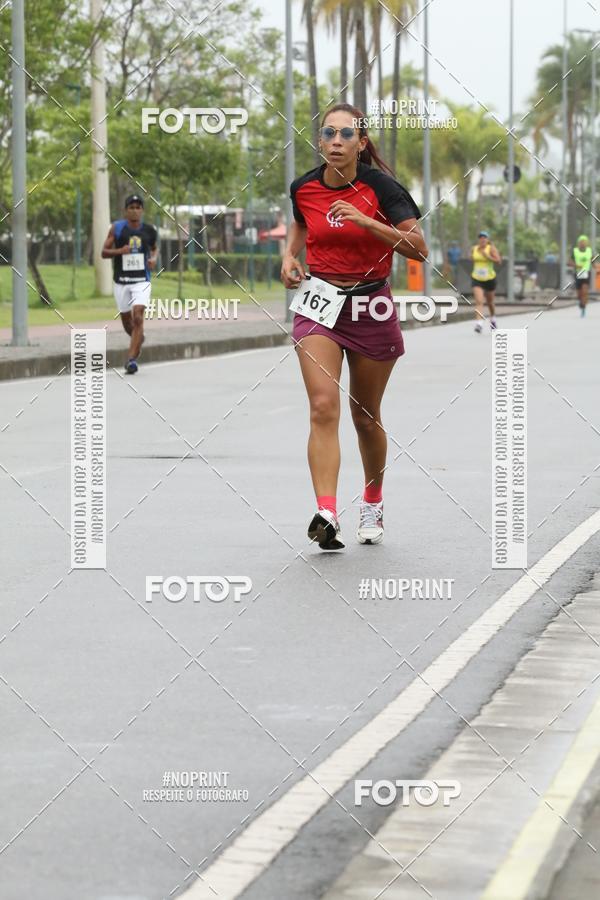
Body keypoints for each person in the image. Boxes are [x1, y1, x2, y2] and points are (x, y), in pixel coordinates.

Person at [281, 103, 427, 550]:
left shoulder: (381, 188)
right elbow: (301, 224)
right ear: (320, 141)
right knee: (322, 406)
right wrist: (289, 256)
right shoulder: (304, 187)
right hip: (321, 304)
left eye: (346, 134)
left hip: (370, 305)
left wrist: (366, 221)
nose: (336, 141)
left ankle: (373, 499)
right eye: (329, 133)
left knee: (365, 416)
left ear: (361, 143)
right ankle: (327, 512)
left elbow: (418, 248)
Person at [102, 194, 158, 373]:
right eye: (131, 208)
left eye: (138, 207)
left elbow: (154, 249)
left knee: (138, 316)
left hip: (141, 281)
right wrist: (120, 251)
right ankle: (138, 338)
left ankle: (131, 360)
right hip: (121, 282)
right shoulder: (117, 229)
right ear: (126, 210)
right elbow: (104, 252)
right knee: (128, 323)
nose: (135, 211)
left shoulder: (149, 230)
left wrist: (153, 259)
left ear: (142, 210)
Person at [471, 230, 501, 333]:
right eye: (481, 237)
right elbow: (472, 258)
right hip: (477, 278)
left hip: (489, 279)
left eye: (484, 237)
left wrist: (488, 257)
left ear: (487, 240)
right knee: (479, 301)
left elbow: (498, 261)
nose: (482, 239)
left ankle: (493, 319)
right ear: (478, 239)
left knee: (490, 302)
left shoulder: (491, 249)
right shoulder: (474, 249)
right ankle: (479, 323)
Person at [571, 234, 592, 317]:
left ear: (587, 243)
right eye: (581, 242)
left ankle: (583, 307)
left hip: (587, 273)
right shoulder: (575, 251)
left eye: (584, 242)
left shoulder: (589, 251)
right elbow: (569, 262)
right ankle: (581, 301)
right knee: (579, 294)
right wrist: (576, 265)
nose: (583, 243)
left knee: (585, 291)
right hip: (578, 273)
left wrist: (595, 265)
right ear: (578, 243)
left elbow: (593, 260)